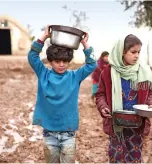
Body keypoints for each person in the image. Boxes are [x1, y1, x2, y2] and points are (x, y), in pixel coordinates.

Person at [28, 25, 97, 163]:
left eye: (65, 61)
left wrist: (84, 43)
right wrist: (44, 36)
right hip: (49, 132)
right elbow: (32, 56)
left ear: (69, 61)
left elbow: (92, 64)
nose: (61, 64)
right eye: (57, 61)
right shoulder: (43, 74)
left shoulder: (74, 76)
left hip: (68, 132)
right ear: (50, 61)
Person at [95, 34, 152, 163]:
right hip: (116, 122)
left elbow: (150, 91)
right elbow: (100, 94)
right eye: (133, 52)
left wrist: (150, 103)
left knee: (134, 156)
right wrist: (103, 107)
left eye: (139, 52)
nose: (137, 55)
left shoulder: (143, 70)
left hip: (136, 122)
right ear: (122, 52)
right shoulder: (108, 72)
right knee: (116, 156)